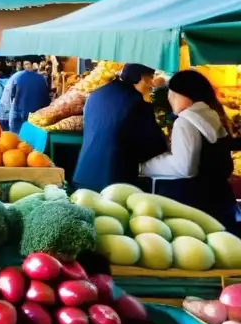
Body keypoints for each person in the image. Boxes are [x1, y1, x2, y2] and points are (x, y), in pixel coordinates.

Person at [142, 70, 236, 230]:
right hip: (219, 197)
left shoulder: (186, 122)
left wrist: (146, 166)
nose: (170, 98)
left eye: (173, 93)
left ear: (186, 94)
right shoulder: (210, 114)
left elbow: (184, 167)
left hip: (197, 201)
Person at [73, 64, 168, 193]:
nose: (151, 84)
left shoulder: (95, 95)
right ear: (142, 78)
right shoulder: (136, 102)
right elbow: (155, 145)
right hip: (114, 182)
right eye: (151, 77)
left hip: (83, 175)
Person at [6, 63, 51, 134]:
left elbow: (12, 96)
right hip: (37, 114)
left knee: (18, 139)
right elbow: (46, 98)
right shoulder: (41, 79)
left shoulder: (18, 77)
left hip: (21, 112)